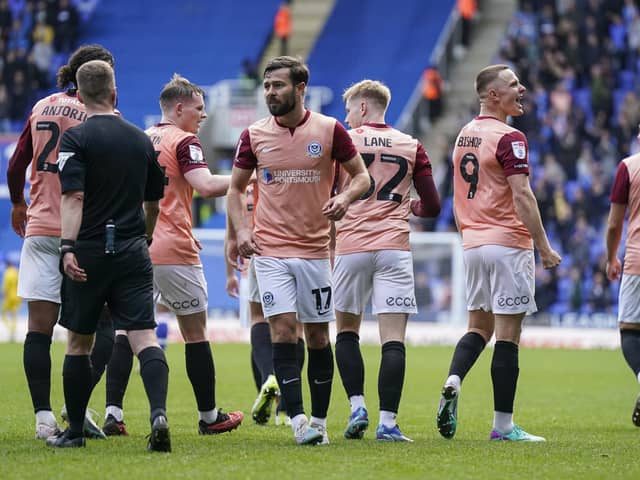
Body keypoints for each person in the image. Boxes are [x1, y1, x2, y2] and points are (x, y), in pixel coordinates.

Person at [227, 55, 370, 445]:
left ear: (300, 88)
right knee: (283, 330)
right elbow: (236, 189)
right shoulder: (254, 135)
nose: (271, 93)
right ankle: (299, 422)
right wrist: (241, 230)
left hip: (314, 252)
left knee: (319, 337)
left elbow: (363, 178)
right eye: (267, 86)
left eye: (278, 85)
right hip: (270, 251)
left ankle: (321, 422)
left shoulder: (330, 130)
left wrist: (344, 199)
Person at [102, 73, 243, 437]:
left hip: (134, 247)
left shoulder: (139, 137)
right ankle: (210, 416)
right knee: (195, 333)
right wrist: (251, 176)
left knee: (126, 332)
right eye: (199, 109)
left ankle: (113, 414)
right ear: (179, 108)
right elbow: (208, 186)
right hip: (172, 248)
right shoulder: (185, 141)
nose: (204, 116)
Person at [46, 59, 171, 451]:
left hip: (89, 251)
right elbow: (154, 201)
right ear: (115, 94)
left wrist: (67, 247)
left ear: (79, 97)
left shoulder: (76, 139)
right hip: (134, 248)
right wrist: (144, 238)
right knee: (145, 337)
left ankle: (75, 432)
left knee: (79, 343)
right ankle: (158, 416)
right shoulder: (141, 140)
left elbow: (73, 196)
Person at [436, 64, 561, 442]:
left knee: (477, 328)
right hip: (507, 243)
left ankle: (453, 379)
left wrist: (468, 235)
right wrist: (544, 246)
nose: (520, 88)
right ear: (493, 95)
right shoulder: (511, 137)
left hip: (473, 243)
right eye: (512, 85)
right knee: (507, 337)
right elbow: (522, 194)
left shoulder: (464, 136)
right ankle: (504, 426)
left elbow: (458, 196)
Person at [6, 44, 116, 440]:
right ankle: (78, 407)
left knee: (38, 328)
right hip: (83, 232)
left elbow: (17, 163)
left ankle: (43, 418)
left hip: (39, 229)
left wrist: (19, 203)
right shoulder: (103, 115)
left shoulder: (41, 107)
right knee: (100, 325)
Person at [334, 79, 441, 443]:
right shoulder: (411, 145)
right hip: (394, 248)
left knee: (346, 331)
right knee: (393, 340)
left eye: (349, 110)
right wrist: (409, 206)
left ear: (363, 107)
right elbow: (434, 206)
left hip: (351, 247)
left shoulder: (344, 143)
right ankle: (389, 424)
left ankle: (357, 407)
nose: (346, 118)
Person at [224, 181, 305, 426]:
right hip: (297, 255)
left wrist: (230, 274)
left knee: (258, 323)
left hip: (256, 261)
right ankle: (286, 403)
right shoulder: (288, 178)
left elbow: (232, 234)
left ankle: (267, 382)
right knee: (295, 331)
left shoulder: (239, 187)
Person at [605, 125, 640, 427]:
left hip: (638, 261)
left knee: (630, 330)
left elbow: (615, 224)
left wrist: (611, 256)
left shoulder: (628, 167)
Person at [2, 257, 21, 341]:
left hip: (9, 297)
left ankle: (10, 329)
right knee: (14, 315)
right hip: (17, 297)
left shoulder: (7, 273)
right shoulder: (15, 271)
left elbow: (6, 286)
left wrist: (5, 296)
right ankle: (13, 330)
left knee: (3, 314)